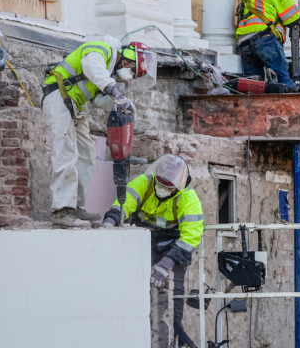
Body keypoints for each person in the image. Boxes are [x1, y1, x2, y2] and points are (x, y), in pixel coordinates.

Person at [43, 38, 154, 228]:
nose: (129, 74)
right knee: (65, 152)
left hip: (75, 105)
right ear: (128, 59)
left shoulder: (107, 71)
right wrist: (115, 92)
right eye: (132, 70)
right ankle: (61, 210)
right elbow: (91, 66)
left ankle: (73, 205)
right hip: (58, 96)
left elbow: (97, 100)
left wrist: (124, 104)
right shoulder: (102, 48)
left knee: (87, 155)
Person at [102, 154, 204, 341]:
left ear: (177, 187)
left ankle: (174, 334)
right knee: (133, 283)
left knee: (175, 293)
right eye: (160, 183)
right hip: (146, 236)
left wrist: (166, 264)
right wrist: (111, 221)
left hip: (175, 243)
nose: (162, 189)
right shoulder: (144, 182)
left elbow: (191, 237)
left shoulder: (189, 199)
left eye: (167, 187)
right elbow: (124, 203)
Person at [235, 0, 300, 86]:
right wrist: (299, 23)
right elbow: (292, 17)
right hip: (263, 38)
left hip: (243, 40)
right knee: (283, 80)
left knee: (253, 85)